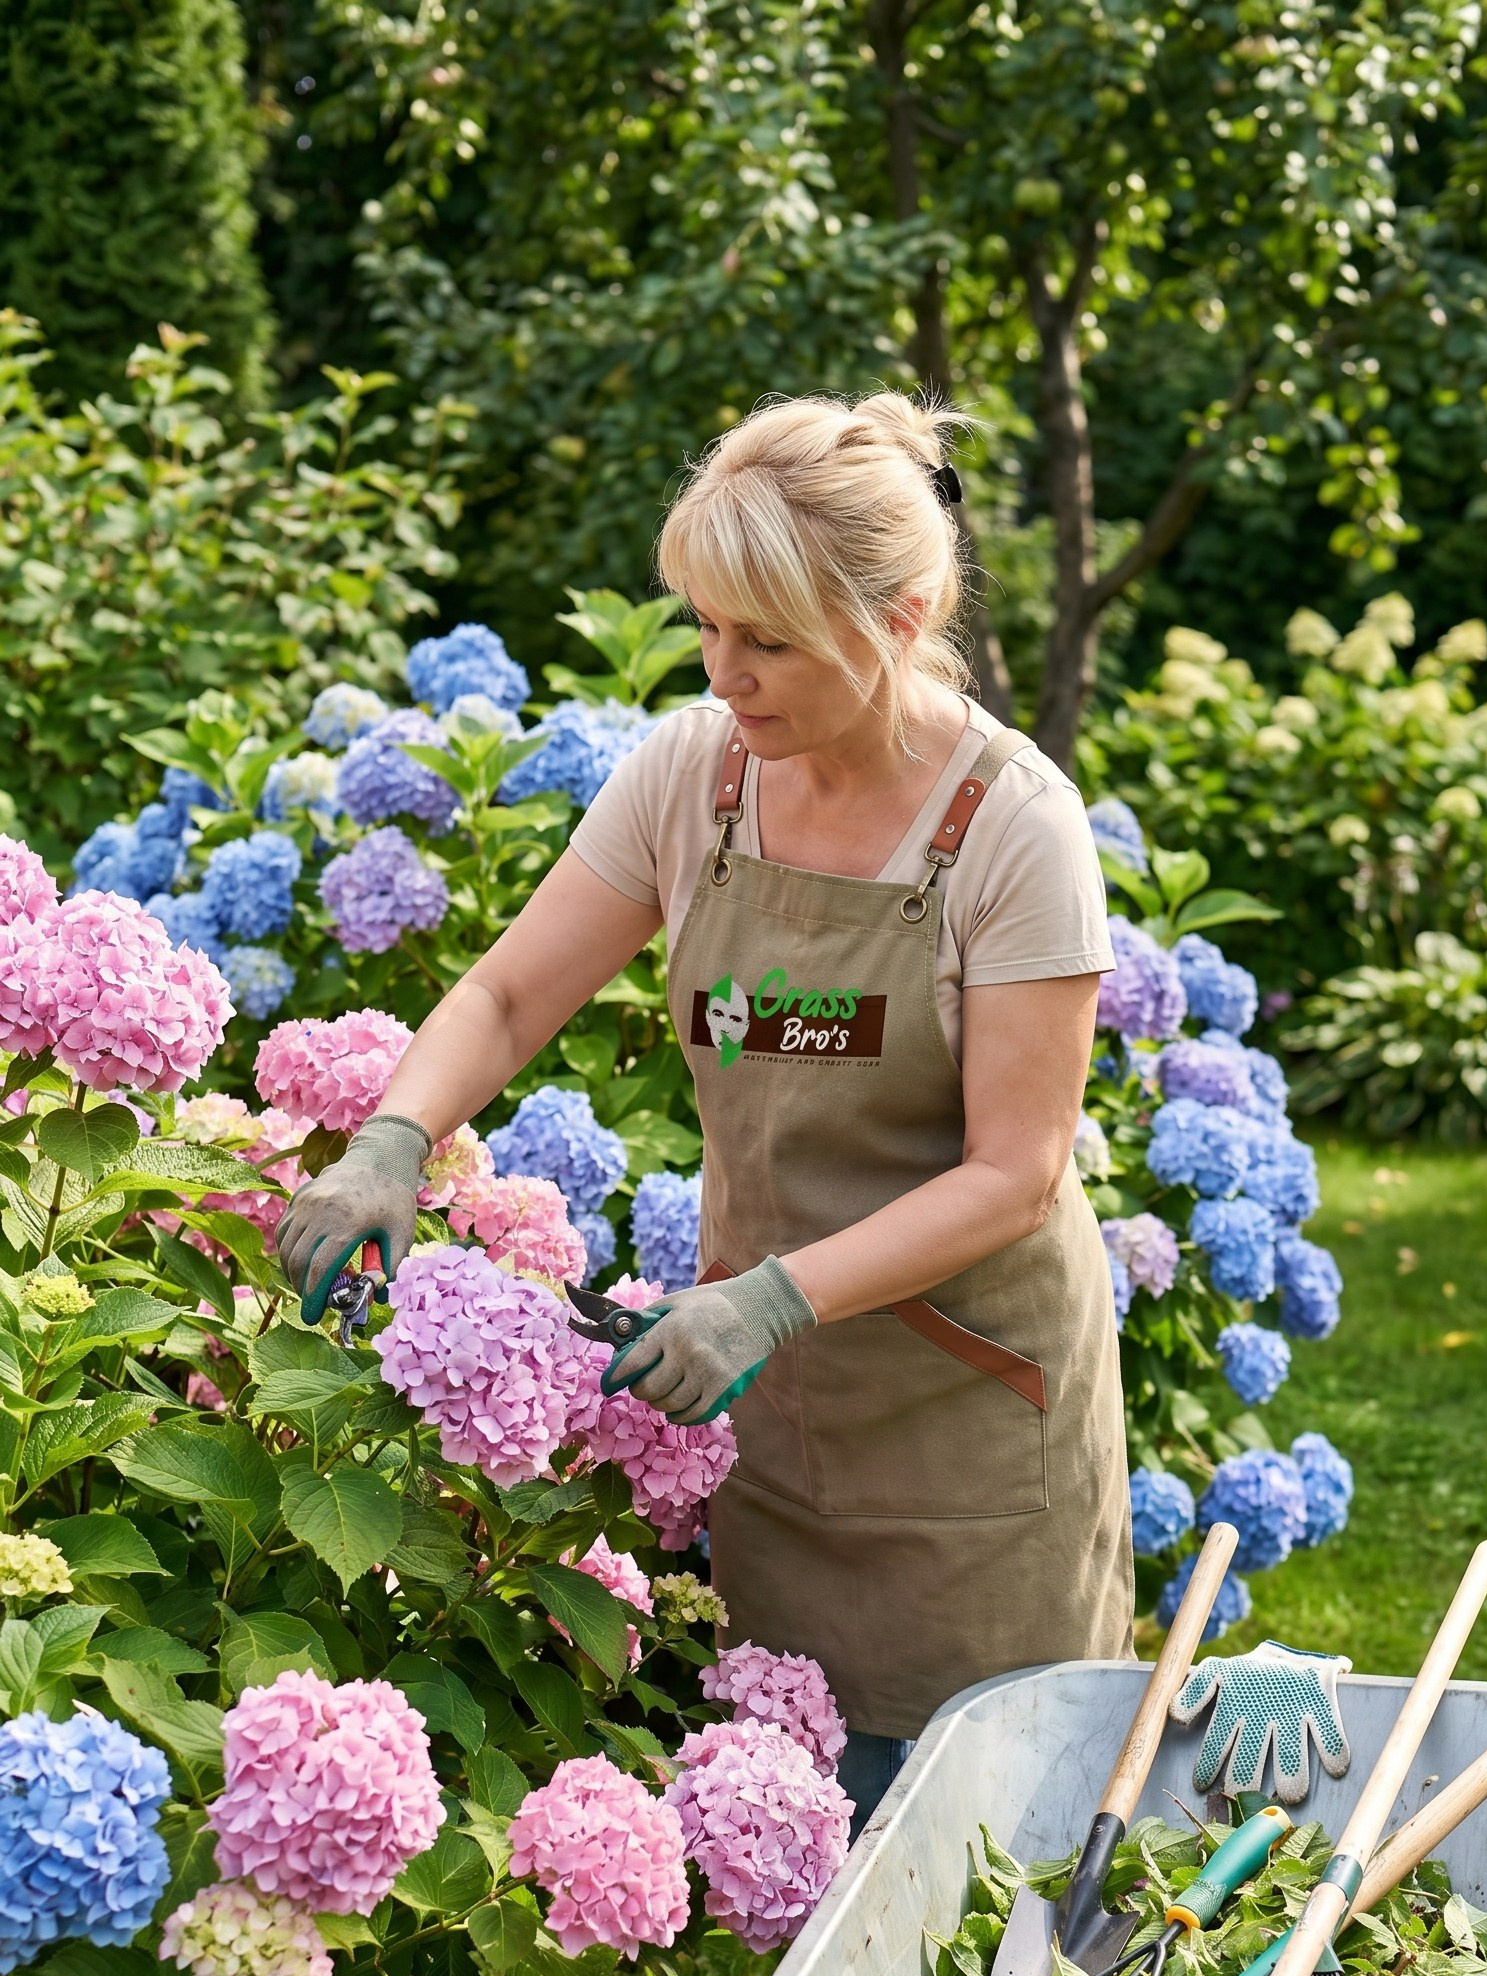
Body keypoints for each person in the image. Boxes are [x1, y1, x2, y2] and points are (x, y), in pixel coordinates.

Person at [279, 392, 1135, 1843]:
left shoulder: (1016, 833)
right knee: (790, 1837)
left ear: (904, 614)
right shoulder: (696, 773)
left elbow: (1013, 1171)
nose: (723, 672)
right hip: (760, 1400)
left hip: (968, 1434)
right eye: (706, 627)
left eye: (770, 639)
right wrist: (392, 1140)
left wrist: (773, 1301)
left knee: (984, 1863)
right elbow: (501, 997)